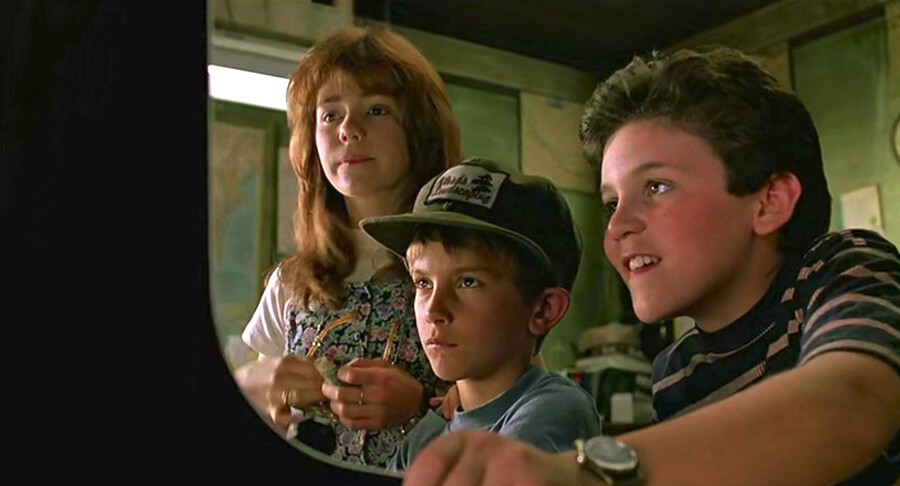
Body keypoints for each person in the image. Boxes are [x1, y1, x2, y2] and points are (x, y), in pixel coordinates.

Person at [401, 46, 900, 485]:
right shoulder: (678, 374)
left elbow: (853, 402)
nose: (618, 226)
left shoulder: (841, 268)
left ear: (768, 201)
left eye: (656, 187)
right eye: (611, 203)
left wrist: (583, 473)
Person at [232, 25, 463, 468]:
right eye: (330, 115)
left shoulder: (469, 264)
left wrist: (421, 406)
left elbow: (525, 411)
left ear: (420, 130)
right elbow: (258, 399)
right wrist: (256, 387)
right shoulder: (290, 282)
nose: (349, 131)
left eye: (376, 110)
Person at [359, 157, 603, 472]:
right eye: (423, 283)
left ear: (543, 310)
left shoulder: (554, 409)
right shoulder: (427, 438)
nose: (433, 310)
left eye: (468, 282)